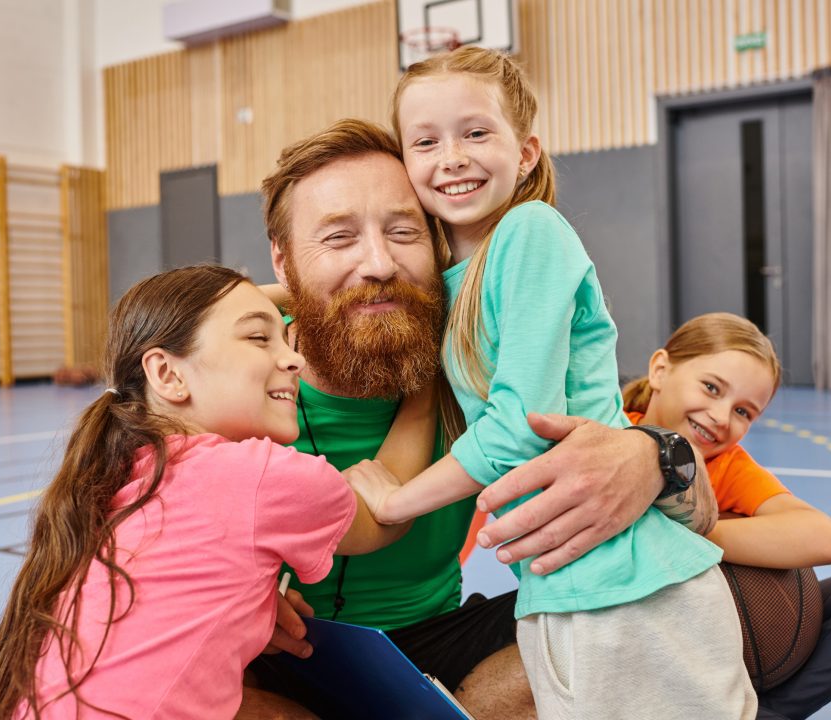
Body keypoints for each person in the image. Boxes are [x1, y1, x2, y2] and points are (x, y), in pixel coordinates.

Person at [242, 117, 721, 720]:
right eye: (338, 238)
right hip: (269, 652)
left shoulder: (479, 367)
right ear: (283, 264)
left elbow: (701, 516)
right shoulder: (233, 382)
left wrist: (653, 458)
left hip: (438, 641)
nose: (379, 263)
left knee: (728, 601)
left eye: (403, 231)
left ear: (440, 245)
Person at [347, 46, 756, 719]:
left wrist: (397, 504)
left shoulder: (531, 234)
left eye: (476, 132)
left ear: (527, 151)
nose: (451, 156)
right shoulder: (454, 277)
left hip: (629, 581)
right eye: (427, 141)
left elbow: (520, 426)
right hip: (560, 584)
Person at [0, 265, 417, 720]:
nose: (294, 358)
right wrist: (428, 373)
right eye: (260, 338)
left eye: (284, 338)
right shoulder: (258, 476)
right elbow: (386, 516)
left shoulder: (117, 471)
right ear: (166, 373)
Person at [623, 311, 831, 720]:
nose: (721, 417)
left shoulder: (725, 464)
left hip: (715, 637)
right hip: (643, 639)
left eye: (744, 413)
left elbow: (821, 535)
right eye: (711, 387)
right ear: (661, 369)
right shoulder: (616, 436)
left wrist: (697, 531)